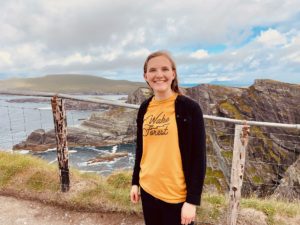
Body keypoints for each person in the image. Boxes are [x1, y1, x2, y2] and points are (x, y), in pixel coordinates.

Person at [130, 51, 206, 225]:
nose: (159, 75)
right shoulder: (144, 108)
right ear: (145, 76)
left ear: (173, 73)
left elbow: (198, 158)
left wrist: (192, 201)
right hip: (148, 189)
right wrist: (135, 182)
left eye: (165, 69)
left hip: (176, 196)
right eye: (153, 70)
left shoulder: (190, 109)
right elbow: (141, 148)